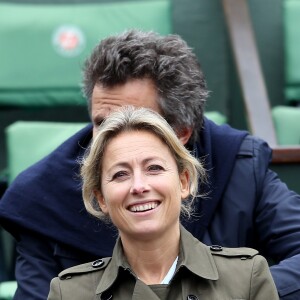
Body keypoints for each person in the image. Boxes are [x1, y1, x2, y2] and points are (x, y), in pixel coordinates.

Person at [0, 29, 299, 300]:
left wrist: (237, 290)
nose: (112, 136)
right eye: (101, 123)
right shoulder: (41, 198)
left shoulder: (239, 164)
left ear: (181, 132)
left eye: (138, 121)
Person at [48, 106, 279, 300]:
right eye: (120, 174)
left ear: (183, 182)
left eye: (154, 168)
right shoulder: (69, 293)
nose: (139, 186)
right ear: (101, 198)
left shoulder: (246, 276)